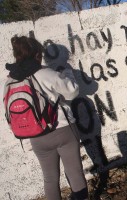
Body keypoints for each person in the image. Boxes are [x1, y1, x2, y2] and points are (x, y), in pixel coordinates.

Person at [4, 36, 88, 200]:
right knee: (74, 172)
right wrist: (68, 74)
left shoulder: (9, 80)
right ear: (37, 54)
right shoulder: (45, 72)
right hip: (62, 130)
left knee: (49, 179)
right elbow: (72, 92)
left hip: (36, 136)